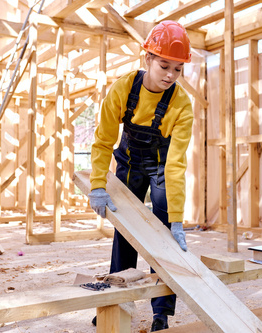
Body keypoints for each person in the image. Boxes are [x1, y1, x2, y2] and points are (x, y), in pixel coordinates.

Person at [88, 20, 193, 331]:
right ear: (147, 57)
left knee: (164, 237)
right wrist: (98, 186)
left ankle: (161, 312)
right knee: (126, 232)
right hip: (130, 164)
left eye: (177, 69)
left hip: (162, 167)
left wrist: (175, 219)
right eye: (164, 66)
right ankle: (116, 303)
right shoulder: (122, 88)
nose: (170, 76)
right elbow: (103, 140)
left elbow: (175, 163)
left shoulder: (182, 104)